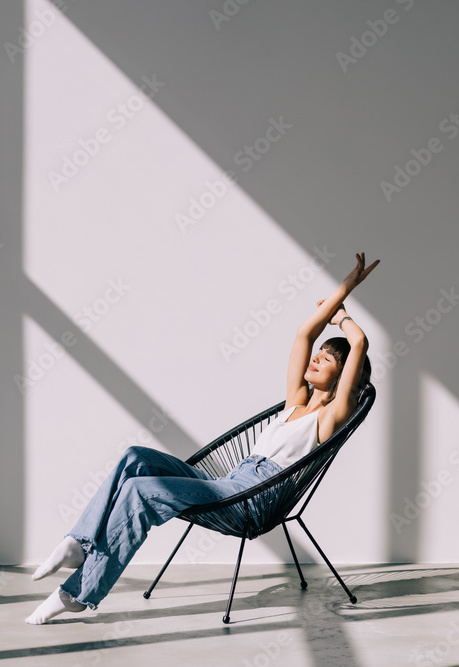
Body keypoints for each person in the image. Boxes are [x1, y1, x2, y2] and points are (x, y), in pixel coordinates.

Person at [25, 252, 379, 624]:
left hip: (251, 499)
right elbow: (304, 334)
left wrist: (341, 317)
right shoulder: (295, 402)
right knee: (134, 457)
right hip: (230, 483)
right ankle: (79, 543)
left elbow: (358, 343)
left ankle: (78, 593)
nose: (316, 358)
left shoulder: (328, 419)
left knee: (140, 491)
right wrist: (346, 287)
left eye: (327, 359)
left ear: (343, 379)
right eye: (319, 353)